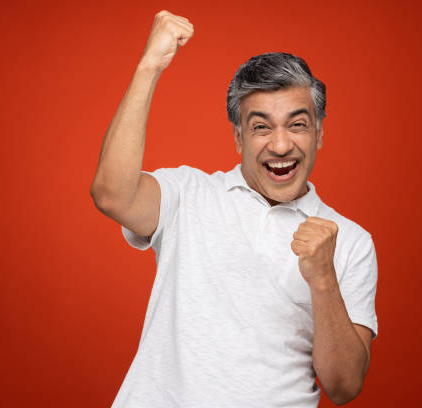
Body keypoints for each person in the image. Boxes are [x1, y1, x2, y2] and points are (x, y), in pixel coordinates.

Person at [91, 10, 378, 408]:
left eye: (297, 125)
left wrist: (324, 281)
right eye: (261, 127)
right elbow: (112, 194)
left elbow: (344, 387)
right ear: (238, 138)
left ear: (320, 133)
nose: (280, 145)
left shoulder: (351, 242)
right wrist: (149, 66)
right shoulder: (188, 195)